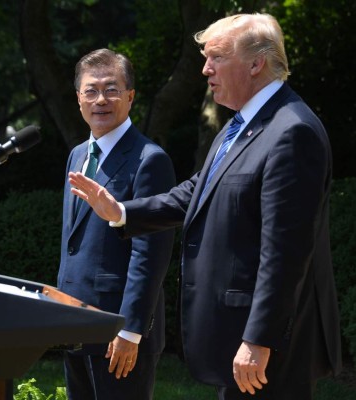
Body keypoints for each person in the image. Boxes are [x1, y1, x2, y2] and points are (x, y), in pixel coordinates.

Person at [68, 14, 342, 400]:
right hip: (236, 337)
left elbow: (286, 251)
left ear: (255, 63)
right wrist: (123, 213)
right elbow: (198, 191)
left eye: (215, 57)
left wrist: (258, 340)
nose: (205, 69)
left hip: (267, 348)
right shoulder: (241, 125)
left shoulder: (291, 131)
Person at [58, 48, 175, 399]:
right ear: (78, 98)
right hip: (73, 320)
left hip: (117, 331)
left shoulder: (149, 160)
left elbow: (151, 253)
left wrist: (131, 331)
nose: (100, 100)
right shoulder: (78, 154)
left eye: (111, 89)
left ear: (130, 97)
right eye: (90, 91)